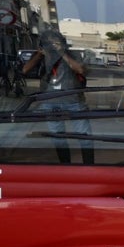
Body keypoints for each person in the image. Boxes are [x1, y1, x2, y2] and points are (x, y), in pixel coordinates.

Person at [21, 29, 94, 164]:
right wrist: (39, 54)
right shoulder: (43, 56)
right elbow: (25, 70)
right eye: (48, 43)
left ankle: (89, 166)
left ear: (63, 42)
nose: (52, 46)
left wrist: (62, 52)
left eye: (55, 42)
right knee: (58, 137)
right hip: (50, 102)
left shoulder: (73, 54)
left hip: (73, 100)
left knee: (84, 135)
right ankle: (65, 165)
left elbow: (81, 70)